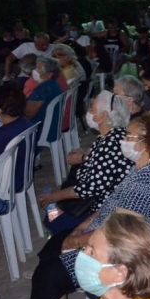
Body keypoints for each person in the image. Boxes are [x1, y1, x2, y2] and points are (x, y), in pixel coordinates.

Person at [12, 114, 150, 299]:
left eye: (128, 136)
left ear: (145, 143)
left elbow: (119, 228)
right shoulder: (144, 168)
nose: (123, 140)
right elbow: (108, 208)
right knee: (52, 247)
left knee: (51, 272)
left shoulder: (148, 179)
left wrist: (80, 241)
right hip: (109, 233)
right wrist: (79, 228)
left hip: (122, 248)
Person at [37, 91, 134, 234]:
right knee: (52, 208)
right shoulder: (111, 136)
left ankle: (63, 239)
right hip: (93, 198)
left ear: (103, 116)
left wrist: (54, 196)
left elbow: (89, 189)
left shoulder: (112, 144)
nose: (88, 112)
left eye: (92, 109)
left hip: (100, 208)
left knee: (53, 218)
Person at [26, 56, 65, 132]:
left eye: (39, 69)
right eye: (35, 68)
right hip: (52, 126)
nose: (35, 71)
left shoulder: (43, 89)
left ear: (49, 74)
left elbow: (28, 114)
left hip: (40, 129)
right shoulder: (53, 85)